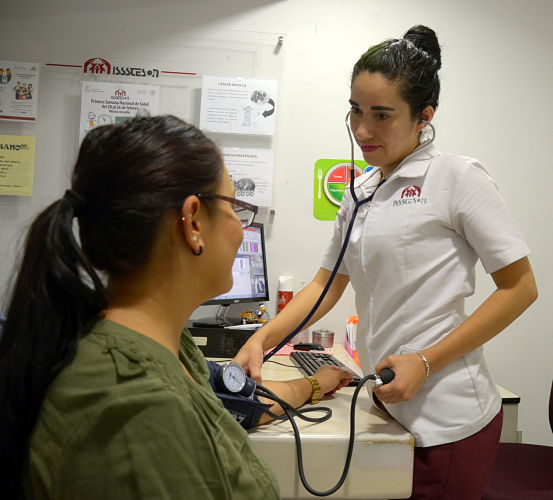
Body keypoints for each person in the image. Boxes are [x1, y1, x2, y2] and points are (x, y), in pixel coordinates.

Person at [235, 25, 538, 500]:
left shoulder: (458, 179)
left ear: (424, 116)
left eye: (381, 115)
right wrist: (261, 339)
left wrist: (425, 361)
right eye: (355, 110)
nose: (362, 130)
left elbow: (520, 288)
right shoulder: (361, 191)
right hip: (387, 406)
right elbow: (325, 285)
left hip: (446, 418)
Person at [0, 115, 352, 500]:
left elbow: (239, 402)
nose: (241, 227)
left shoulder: (167, 348)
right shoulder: (136, 407)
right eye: (234, 206)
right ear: (193, 222)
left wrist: (314, 384)